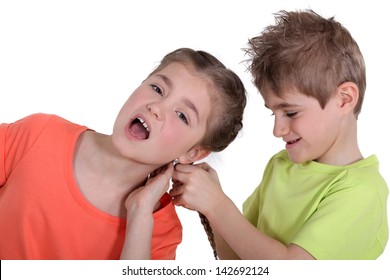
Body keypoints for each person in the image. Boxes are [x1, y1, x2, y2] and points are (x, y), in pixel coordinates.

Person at [170, 10, 389, 260]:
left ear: (344, 100)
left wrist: (217, 204)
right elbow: (234, 260)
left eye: (291, 113)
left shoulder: (361, 193)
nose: (277, 130)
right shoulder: (281, 165)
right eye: (273, 113)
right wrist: (211, 203)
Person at [0, 48, 246, 260]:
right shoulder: (39, 134)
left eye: (182, 115)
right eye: (158, 88)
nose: (157, 107)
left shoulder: (159, 230)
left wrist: (140, 212)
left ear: (192, 152)